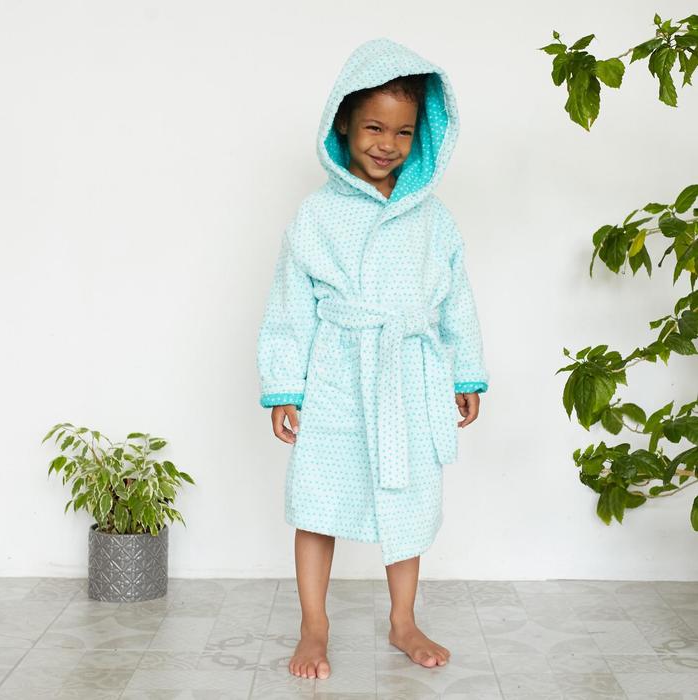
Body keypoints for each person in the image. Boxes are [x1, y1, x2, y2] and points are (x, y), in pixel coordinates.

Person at [255, 36, 489, 680]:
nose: (388, 144)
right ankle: (314, 625)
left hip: (409, 376)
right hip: (336, 375)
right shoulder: (316, 215)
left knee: (408, 498)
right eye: (374, 128)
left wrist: (464, 371)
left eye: (404, 131)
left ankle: (402, 620)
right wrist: (284, 386)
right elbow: (290, 305)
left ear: (422, 136)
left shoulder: (433, 218)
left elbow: (457, 300)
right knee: (316, 501)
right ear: (343, 125)